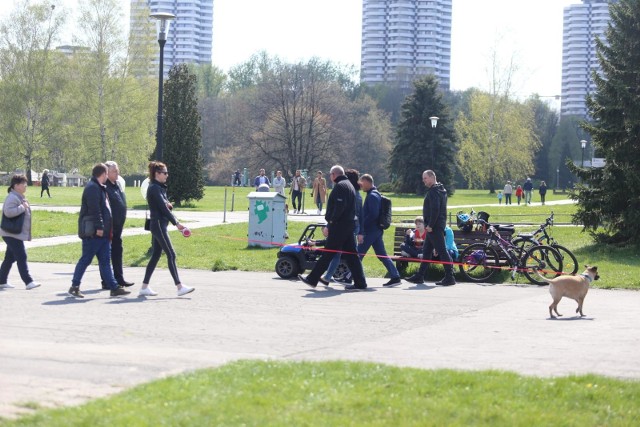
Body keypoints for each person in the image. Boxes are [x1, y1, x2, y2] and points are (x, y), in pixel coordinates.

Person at [298, 165, 368, 291]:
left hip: (340, 226)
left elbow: (339, 206)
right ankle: (360, 283)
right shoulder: (349, 185)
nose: (330, 178)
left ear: (334, 174)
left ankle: (312, 279)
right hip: (348, 225)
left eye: (330, 175)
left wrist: (331, 220)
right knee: (352, 256)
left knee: (328, 253)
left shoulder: (341, 186)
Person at [68, 164, 130, 298]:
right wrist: (100, 227)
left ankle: (114, 288)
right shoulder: (92, 188)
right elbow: (94, 210)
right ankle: (75, 286)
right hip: (94, 233)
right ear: (102, 174)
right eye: (107, 173)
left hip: (104, 233)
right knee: (85, 259)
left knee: (105, 261)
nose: (107, 176)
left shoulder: (99, 187)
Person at [139, 161, 194, 297]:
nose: (167, 175)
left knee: (156, 255)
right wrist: (178, 224)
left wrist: (169, 206)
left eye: (167, 172)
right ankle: (179, 287)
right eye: (165, 173)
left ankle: (144, 287)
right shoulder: (154, 188)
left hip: (160, 224)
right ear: (157, 174)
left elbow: (165, 206)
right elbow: (163, 209)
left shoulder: (160, 187)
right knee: (171, 254)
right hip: (158, 225)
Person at [405, 170, 456, 286]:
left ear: (432, 177)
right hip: (436, 225)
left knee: (442, 251)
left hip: (434, 227)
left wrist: (430, 225)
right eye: (423, 178)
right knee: (427, 251)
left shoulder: (434, 191)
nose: (423, 181)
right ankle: (420, 276)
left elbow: (436, 209)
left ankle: (450, 277)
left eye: (425, 178)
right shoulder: (441, 189)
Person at [357, 174, 402, 287]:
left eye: (361, 183)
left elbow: (373, 214)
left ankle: (350, 277)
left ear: (367, 182)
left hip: (370, 230)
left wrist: (362, 224)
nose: (360, 185)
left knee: (358, 254)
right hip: (376, 230)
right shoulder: (374, 194)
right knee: (381, 254)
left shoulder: (372, 196)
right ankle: (395, 276)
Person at [0, 174, 41, 290]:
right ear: (16, 185)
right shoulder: (13, 197)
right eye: (23, 183)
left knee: (10, 258)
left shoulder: (18, 196)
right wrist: (22, 207)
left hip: (12, 233)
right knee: (21, 256)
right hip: (11, 233)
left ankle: (1, 281)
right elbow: (8, 212)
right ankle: (28, 281)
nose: (26, 186)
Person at [321, 169, 361, 284]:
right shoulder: (353, 193)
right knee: (347, 255)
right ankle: (356, 280)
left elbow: (339, 210)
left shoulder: (346, 191)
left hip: (345, 227)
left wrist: (330, 224)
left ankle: (324, 276)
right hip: (350, 226)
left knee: (337, 253)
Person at [99, 161, 134, 289]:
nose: (117, 172)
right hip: (109, 228)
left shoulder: (117, 185)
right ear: (107, 173)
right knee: (106, 255)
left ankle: (119, 279)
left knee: (117, 252)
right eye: (114, 171)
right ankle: (106, 281)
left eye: (117, 170)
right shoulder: (104, 187)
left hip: (118, 228)